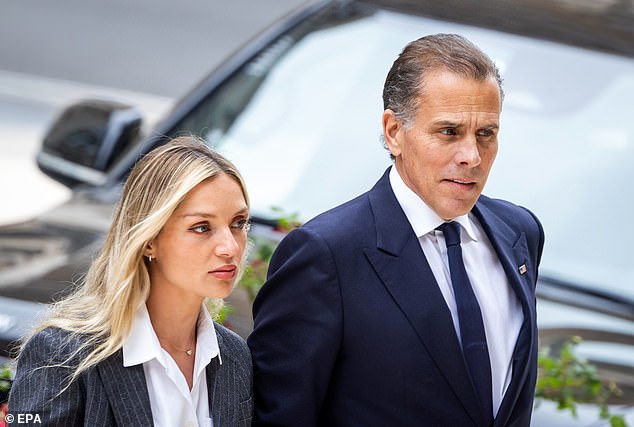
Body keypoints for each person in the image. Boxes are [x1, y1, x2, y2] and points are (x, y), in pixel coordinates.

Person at [248, 34, 544, 426]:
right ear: (393, 131)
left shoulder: (519, 232)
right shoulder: (326, 254)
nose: (471, 156)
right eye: (449, 132)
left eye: (485, 134)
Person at [9, 137, 253, 426]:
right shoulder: (61, 355)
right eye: (201, 227)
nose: (230, 247)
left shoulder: (235, 357)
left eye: (238, 223)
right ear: (149, 240)